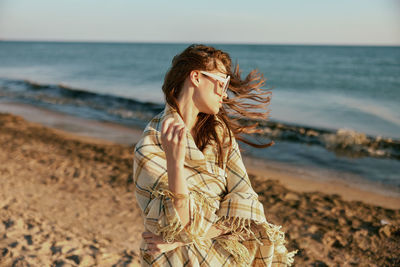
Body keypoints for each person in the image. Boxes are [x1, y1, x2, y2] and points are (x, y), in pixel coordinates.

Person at [133, 44, 298, 266]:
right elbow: (173, 224)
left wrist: (186, 238)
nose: (225, 92)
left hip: (222, 258)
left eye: (227, 84)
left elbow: (247, 211)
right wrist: (175, 163)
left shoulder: (220, 135)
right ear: (196, 77)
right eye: (222, 82)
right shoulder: (150, 146)